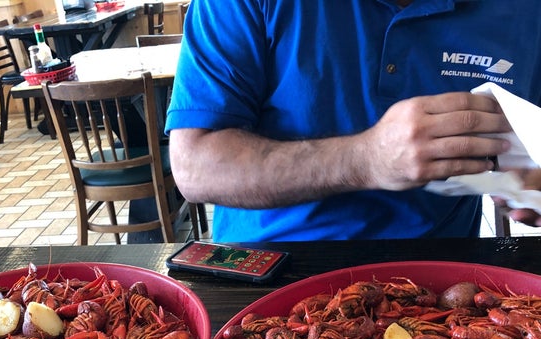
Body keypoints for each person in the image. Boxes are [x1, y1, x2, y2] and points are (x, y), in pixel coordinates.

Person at [165, 0, 541, 242]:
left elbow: (530, 149)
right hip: (272, 267)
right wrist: (367, 159)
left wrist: (526, 180)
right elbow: (194, 166)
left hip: (447, 278)